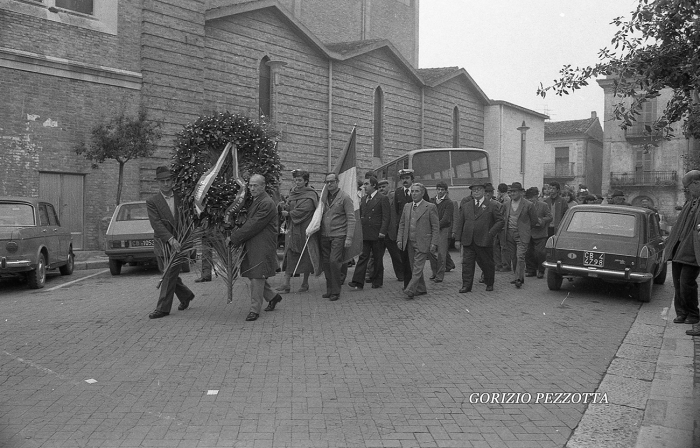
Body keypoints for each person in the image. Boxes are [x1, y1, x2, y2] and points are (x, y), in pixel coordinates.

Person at [229, 174, 282, 321]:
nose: (252, 188)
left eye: (255, 185)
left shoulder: (266, 203)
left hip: (262, 244)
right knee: (254, 274)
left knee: (257, 276)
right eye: (250, 185)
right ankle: (273, 296)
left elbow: (254, 225)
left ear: (263, 186)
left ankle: (254, 310)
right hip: (254, 243)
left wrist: (234, 238)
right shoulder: (257, 200)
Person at [146, 166, 196, 319]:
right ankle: (186, 295)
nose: (166, 184)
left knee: (168, 275)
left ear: (173, 181)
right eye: (163, 181)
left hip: (180, 243)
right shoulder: (152, 201)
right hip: (163, 243)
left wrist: (185, 238)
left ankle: (162, 308)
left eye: (169, 180)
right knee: (167, 272)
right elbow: (156, 224)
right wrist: (170, 239)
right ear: (158, 183)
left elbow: (189, 217)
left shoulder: (182, 197)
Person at [663, 170, 700, 331]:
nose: (686, 191)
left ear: (696, 183)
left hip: (692, 250)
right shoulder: (690, 202)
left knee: (686, 283)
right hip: (679, 249)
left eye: (687, 188)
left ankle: (693, 313)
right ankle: (682, 313)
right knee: (678, 282)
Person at [454, 183, 504, 293]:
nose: (476, 191)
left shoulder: (491, 205)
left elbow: (500, 221)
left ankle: (489, 282)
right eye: (474, 190)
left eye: (478, 189)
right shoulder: (466, 206)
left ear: (483, 191)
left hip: (484, 240)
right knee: (467, 264)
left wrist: (490, 233)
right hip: (468, 240)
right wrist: (457, 239)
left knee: (487, 263)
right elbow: (460, 223)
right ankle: (466, 285)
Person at [276, 170, 319, 293]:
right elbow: (290, 206)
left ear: (306, 181)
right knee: (289, 254)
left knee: (305, 255)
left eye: (300, 180)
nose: (297, 182)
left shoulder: (311, 194)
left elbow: (306, 210)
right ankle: (286, 283)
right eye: (295, 180)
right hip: (292, 229)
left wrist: (289, 213)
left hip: (305, 229)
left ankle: (305, 283)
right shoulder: (293, 193)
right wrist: (285, 206)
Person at [397, 183, 439, 299]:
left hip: (423, 241)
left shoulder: (430, 207)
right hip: (409, 242)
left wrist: (434, 242)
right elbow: (402, 224)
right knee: (413, 266)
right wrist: (399, 239)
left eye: (417, 191)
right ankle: (421, 288)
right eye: (412, 191)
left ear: (423, 193)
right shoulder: (407, 206)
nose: (414, 194)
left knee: (417, 267)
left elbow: (435, 226)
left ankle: (410, 289)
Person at [348, 176, 390, 289]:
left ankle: (377, 280)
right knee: (363, 256)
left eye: (367, 184)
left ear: (373, 185)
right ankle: (357, 281)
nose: (364, 187)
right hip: (365, 232)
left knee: (377, 258)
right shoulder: (364, 199)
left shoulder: (382, 198)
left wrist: (382, 231)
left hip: (377, 233)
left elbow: (386, 217)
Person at [320, 172, 356, 301]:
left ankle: (336, 291)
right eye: (327, 182)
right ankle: (329, 289)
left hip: (339, 235)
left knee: (334, 262)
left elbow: (351, 218)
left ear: (337, 182)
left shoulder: (345, 197)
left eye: (332, 181)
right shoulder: (323, 197)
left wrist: (349, 237)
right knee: (326, 263)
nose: (329, 184)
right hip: (324, 234)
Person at [394, 168, 430, 289]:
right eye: (403, 179)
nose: (404, 180)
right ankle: (409, 285)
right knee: (406, 261)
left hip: (418, 232)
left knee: (416, 263)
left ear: (412, 180)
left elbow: (427, 210)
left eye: (407, 178)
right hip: (405, 233)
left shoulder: (419, 192)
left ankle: (412, 287)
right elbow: (397, 213)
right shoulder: (398, 193)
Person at [502, 182, 538, 289]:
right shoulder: (506, 204)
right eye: (511, 192)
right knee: (513, 257)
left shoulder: (528, 205)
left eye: (514, 191)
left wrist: (525, 229)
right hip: (509, 234)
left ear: (521, 192)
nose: (512, 194)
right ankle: (518, 276)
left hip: (522, 234)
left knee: (520, 256)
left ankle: (518, 279)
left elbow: (534, 220)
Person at [378, 179, 404, 281]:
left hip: (392, 231)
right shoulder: (377, 198)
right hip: (380, 232)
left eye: (383, 187)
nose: (381, 189)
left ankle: (401, 274)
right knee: (378, 256)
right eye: (379, 187)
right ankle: (377, 276)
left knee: (396, 256)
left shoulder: (394, 197)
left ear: (388, 187)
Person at [524, 187, 552, 279]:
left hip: (540, 233)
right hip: (529, 232)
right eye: (529, 198)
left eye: (532, 197)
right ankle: (531, 270)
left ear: (537, 196)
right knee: (528, 253)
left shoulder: (543, 205)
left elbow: (549, 217)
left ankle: (541, 270)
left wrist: (542, 221)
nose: (530, 199)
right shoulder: (525, 205)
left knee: (540, 253)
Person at [429, 181, 454, 283]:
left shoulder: (449, 203)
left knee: (441, 254)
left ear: (446, 191)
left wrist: (435, 225)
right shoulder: (431, 201)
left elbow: (446, 219)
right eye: (438, 189)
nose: (440, 191)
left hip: (443, 229)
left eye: (442, 190)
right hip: (432, 229)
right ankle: (435, 272)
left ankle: (439, 275)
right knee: (430, 251)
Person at [493, 182, 511, 271]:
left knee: (504, 246)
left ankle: (506, 264)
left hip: (503, 225)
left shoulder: (506, 199)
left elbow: (503, 211)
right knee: (496, 244)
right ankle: (498, 263)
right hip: (499, 225)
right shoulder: (500, 199)